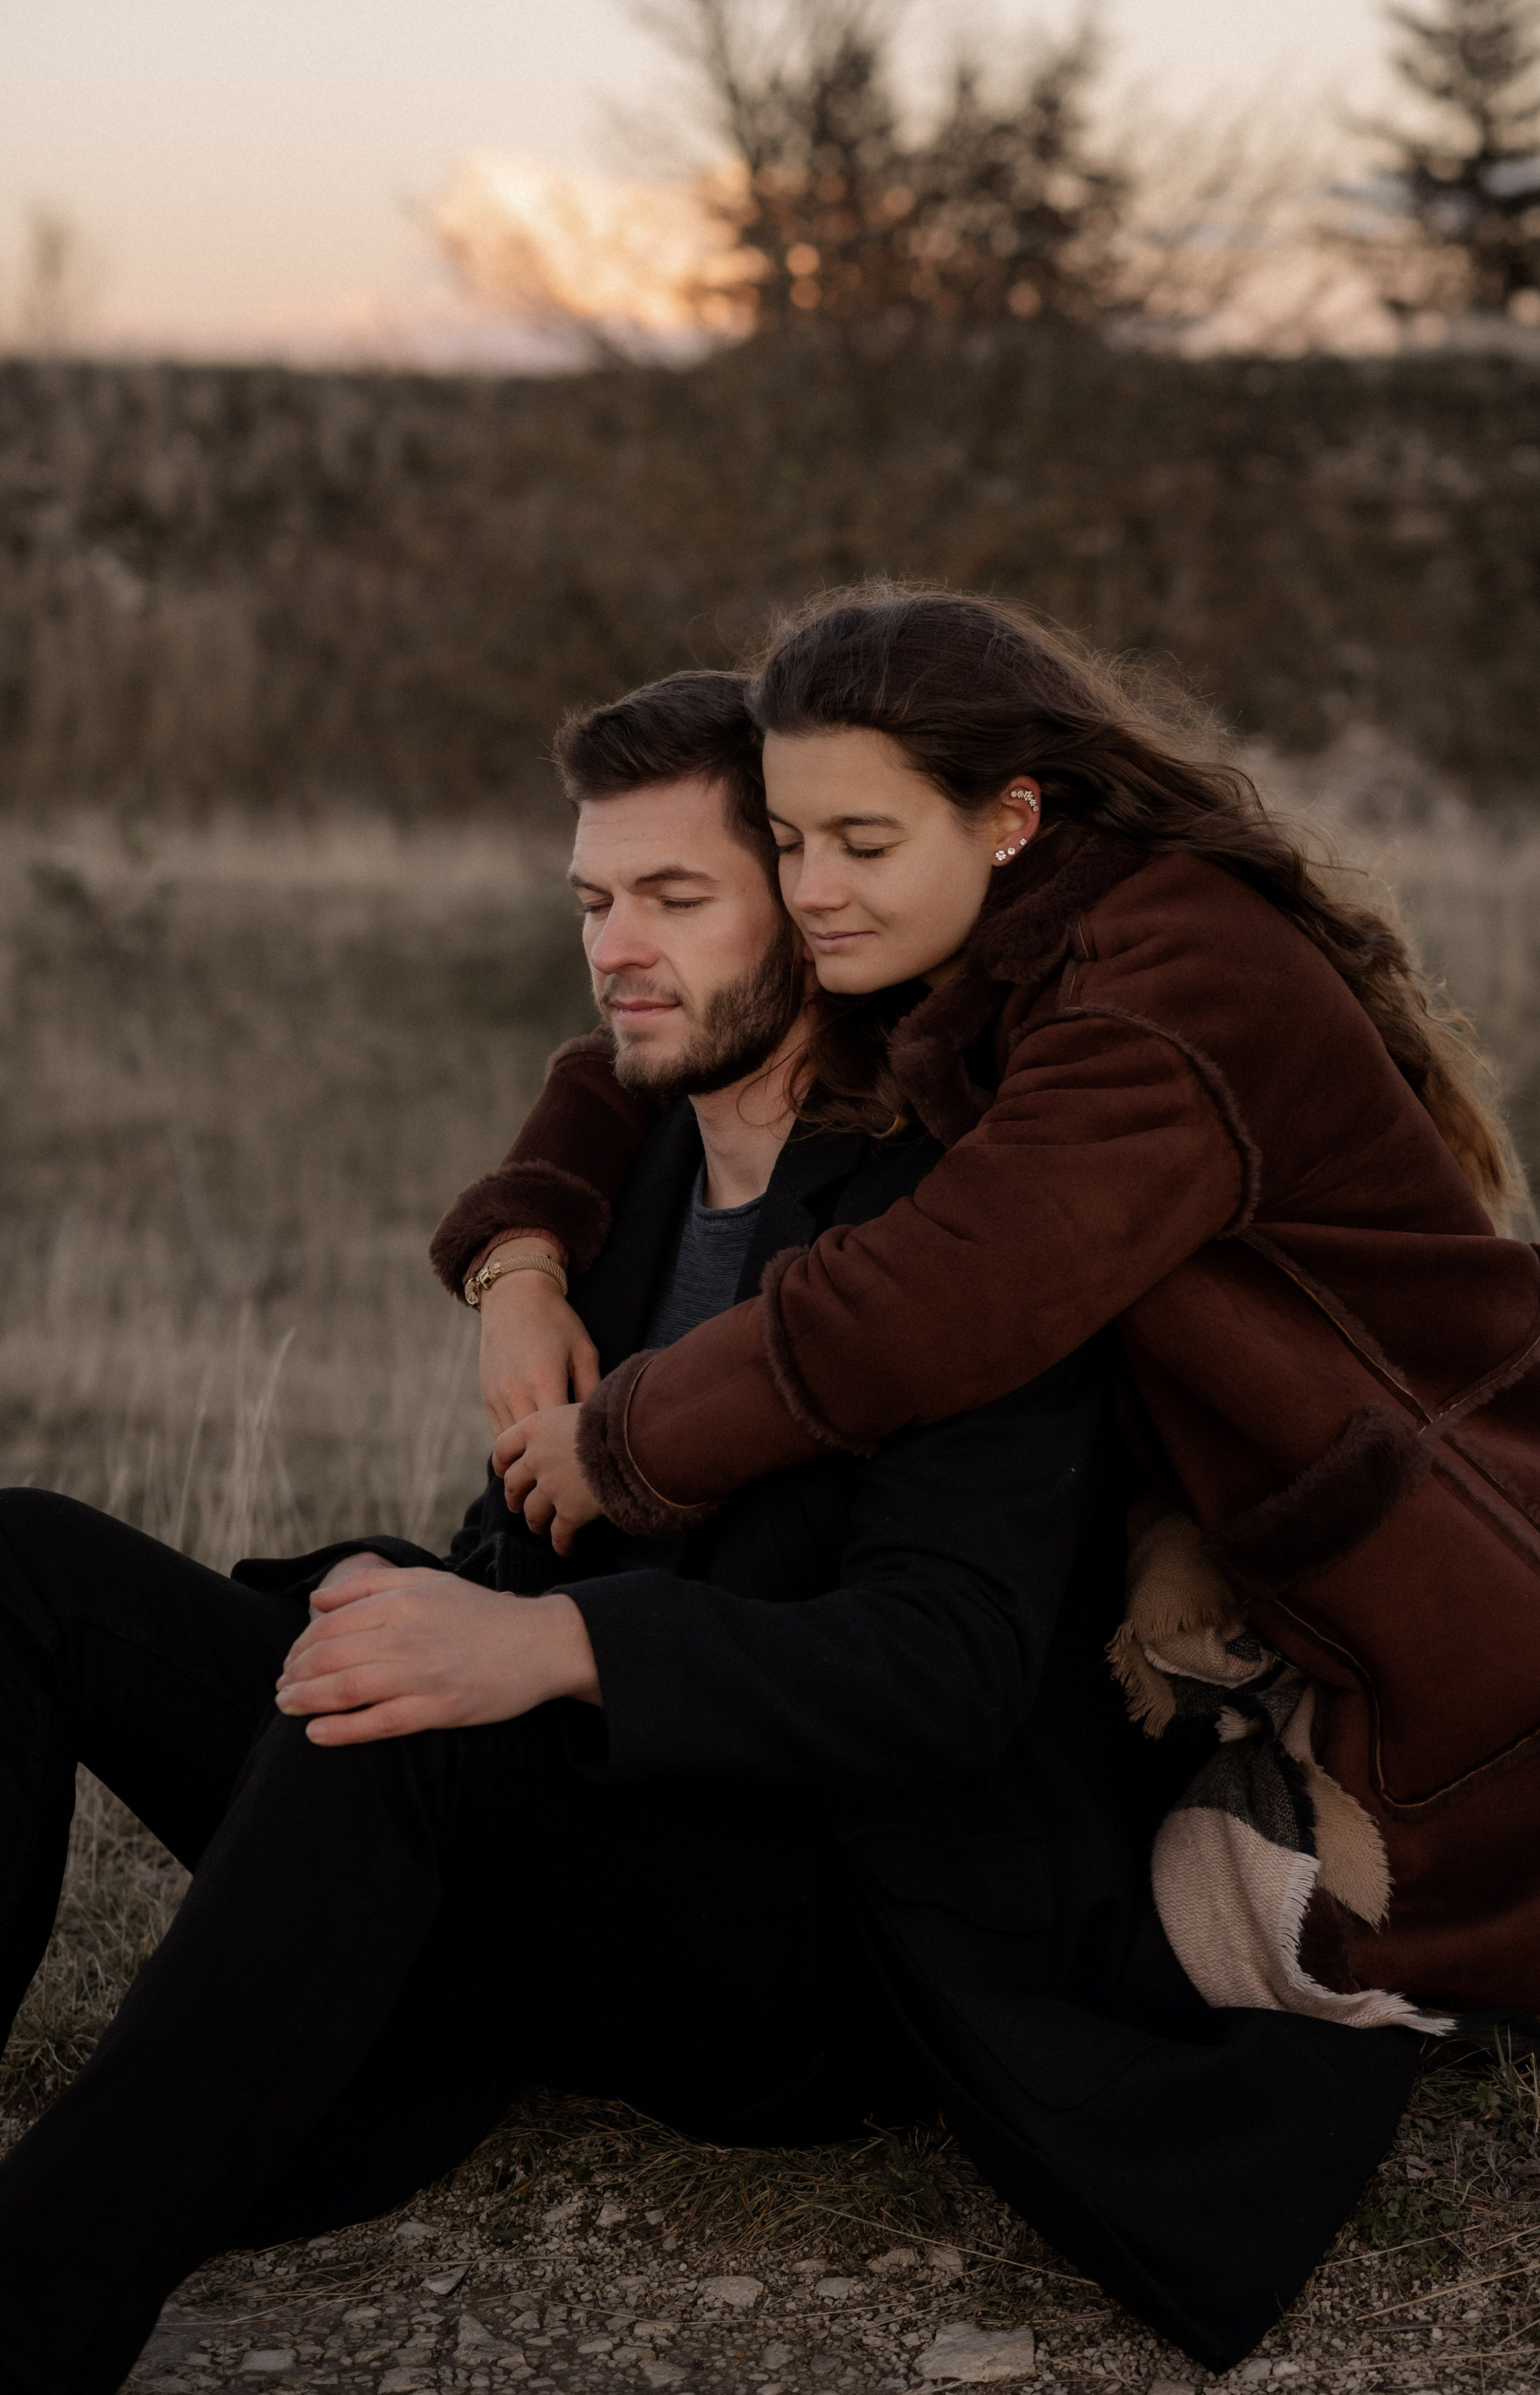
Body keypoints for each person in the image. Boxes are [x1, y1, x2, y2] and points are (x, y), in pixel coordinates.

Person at [0, 672, 1416, 2395]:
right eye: (596, 901)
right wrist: (459, 1550)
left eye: (677, 898)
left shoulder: (956, 1226)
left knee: (410, 1721)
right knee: (31, 1564)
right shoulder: (634, 1169)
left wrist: (543, 1648)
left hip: (809, 1931)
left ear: (819, 919)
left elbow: (948, 1666)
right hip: (569, 1832)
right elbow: (528, 1533)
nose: (619, 949)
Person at [433, 588, 1540, 2033]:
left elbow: (944, 1295)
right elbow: (623, 1049)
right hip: (1260, 1507)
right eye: (788, 844)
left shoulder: (1157, 991)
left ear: (1008, 814)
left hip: (1448, 1541)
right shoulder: (999, 930)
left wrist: (628, 1440)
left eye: (860, 843)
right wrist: (518, 1261)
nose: (810, 891)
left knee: (1431, 1934)